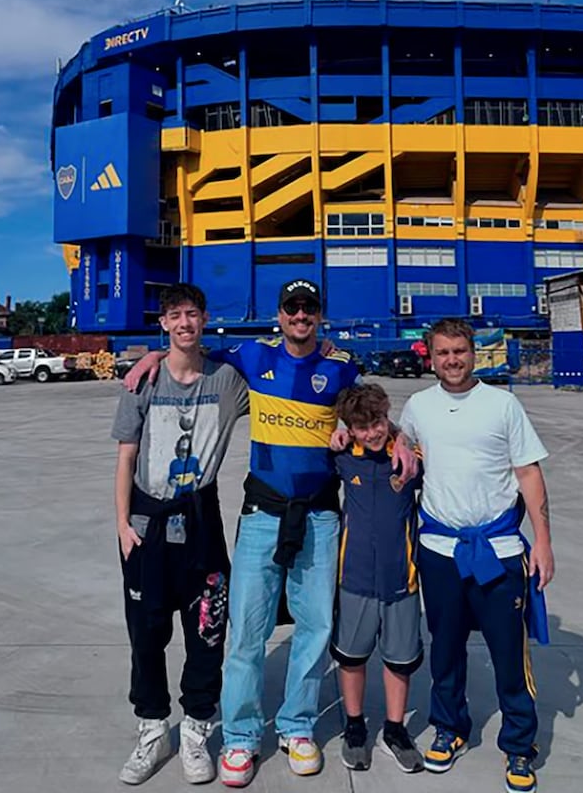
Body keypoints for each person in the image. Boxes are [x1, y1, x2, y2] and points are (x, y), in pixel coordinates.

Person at [124, 278, 416, 788]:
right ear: (279, 315)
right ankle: (239, 737)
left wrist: (401, 438)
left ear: (319, 316)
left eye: (309, 308)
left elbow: (372, 417)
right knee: (247, 630)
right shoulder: (251, 357)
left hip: (321, 517)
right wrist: (151, 353)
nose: (300, 315)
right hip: (261, 514)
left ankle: (296, 726)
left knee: (315, 628)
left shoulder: (341, 366)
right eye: (292, 307)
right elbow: (189, 349)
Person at [398, 317, 554, 793]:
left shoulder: (502, 404)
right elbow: (403, 456)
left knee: (509, 654)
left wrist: (543, 541)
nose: (452, 360)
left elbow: (527, 473)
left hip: (499, 551)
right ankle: (450, 728)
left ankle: (519, 746)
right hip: (439, 550)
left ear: (473, 353)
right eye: (443, 352)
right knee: (445, 649)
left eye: (460, 351)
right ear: (431, 355)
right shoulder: (419, 406)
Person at [112, 283, 249, 785]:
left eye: (193, 314)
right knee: (146, 635)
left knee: (207, 629)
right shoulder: (141, 384)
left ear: (204, 319)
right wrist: (123, 524)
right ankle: (152, 728)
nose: (185, 322)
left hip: (201, 519)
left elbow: (284, 371)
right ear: (164, 323)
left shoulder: (230, 379)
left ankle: (195, 729)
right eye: (176, 315)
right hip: (146, 522)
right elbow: (126, 456)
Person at [331, 383, 424, 774]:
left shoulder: (408, 460)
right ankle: (354, 726)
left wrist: (402, 437)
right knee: (351, 657)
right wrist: (337, 430)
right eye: (362, 426)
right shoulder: (340, 457)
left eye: (378, 423)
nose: (372, 432)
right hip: (354, 578)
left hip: (402, 579)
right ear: (350, 428)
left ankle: (395, 728)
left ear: (387, 418)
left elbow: (415, 445)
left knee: (399, 660)